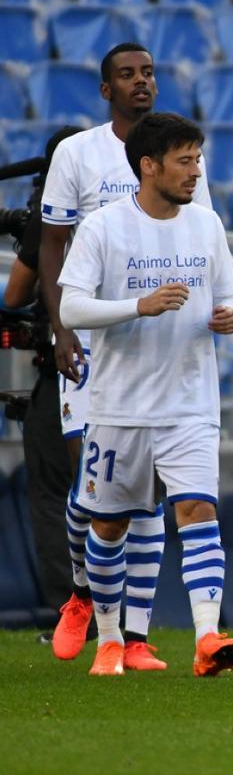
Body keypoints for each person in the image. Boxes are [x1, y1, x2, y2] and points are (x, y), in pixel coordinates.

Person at [40, 42, 213, 667]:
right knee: (94, 480)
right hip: (95, 339)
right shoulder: (77, 153)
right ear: (105, 88)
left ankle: (131, 636)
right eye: (127, 74)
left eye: (148, 72)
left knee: (147, 493)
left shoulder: (183, 161)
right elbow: (52, 244)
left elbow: (201, 248)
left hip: (159, 354)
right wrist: (61, 329)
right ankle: (82, 594)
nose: (142, 82)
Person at [57, 112, 233, 677]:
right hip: (120, 407)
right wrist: (137, 305)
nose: (195, 172)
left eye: (198, 160)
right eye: (184, 161)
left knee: (197, 509)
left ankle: (207, 637)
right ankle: (110, 639)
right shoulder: (104, 228)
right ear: (149, 166)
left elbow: (232, 295)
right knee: (109, 526)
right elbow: (70, 309)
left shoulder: (206, 225)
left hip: (190, 403)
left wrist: (227, 316)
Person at [3, 126, 83, 640]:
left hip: (66, 370)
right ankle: (126, 618)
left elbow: (15, 293)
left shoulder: (50, 219)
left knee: (54, 494)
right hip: (133, 376)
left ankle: (73, 613)